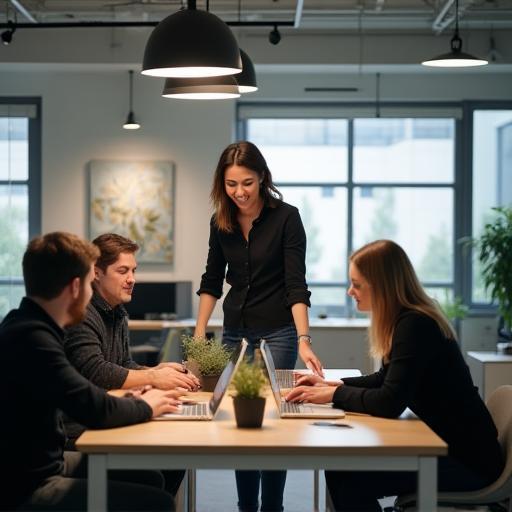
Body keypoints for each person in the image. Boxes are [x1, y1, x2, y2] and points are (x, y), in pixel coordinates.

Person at [285, 239, 504, 511]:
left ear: (382, 286)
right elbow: (385, 378)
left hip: (467, 462)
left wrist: (334, 394)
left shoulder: (415, 325)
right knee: (340, 470)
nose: (350, 291)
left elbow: (390, 401)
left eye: (357, 284)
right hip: (451, 448)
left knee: (350, 480)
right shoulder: (408, 318)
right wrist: (331, 384)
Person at [0, 232, 181, 511]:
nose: (90, 295)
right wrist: (145, 406)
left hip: (47, 462)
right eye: (88, 283)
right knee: (158, 503)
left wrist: (139, 397)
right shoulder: (34, 340)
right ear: (75, 287)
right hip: (27, 484)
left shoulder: (29, 327)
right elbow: (94, 408)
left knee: (151, 477)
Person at [194, 141, 324, 512]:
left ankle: (273, 506)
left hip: (279, 332)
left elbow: (296, 284)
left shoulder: (287, 217)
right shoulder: (221, 222)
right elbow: (211, 279)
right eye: (232, 184)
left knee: (272, 420)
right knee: (243, 418)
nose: (239, 192)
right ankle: (246, 506)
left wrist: (303, 339)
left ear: (262, 177)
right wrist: (201, 332)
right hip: (235, 330)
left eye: (247, 183)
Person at [64, 233, 198, 495]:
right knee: (162, 468)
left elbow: (123, 364)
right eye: (122, 271)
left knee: (176, 457)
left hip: (105, 413)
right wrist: (154, 379)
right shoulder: (83, 313)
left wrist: (155, 370)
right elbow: (97, 372)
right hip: (79, 429)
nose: (132, 279)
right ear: (96, 273)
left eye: (134, 270)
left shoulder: (118, 312)